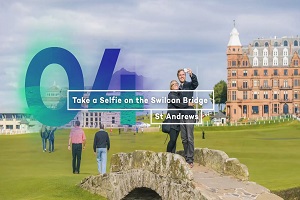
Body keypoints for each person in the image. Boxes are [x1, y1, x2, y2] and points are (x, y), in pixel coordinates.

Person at [177, 68, 198, 168]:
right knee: (184, 138)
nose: (182, 76)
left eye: (183, 74)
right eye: (180, 75)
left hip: (189, 114)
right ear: (178, 77)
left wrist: (191, 74)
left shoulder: (189, 85)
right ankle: (186, 157)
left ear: (185, 76)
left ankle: (190, 160)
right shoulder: (177, 89)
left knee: (190, 137)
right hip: (181, 115)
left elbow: (195, 83)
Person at [166, 80, 193, 153]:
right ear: (171, 87)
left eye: (176, 84)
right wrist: (188, 104)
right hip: (172, 121)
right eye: (173, 84)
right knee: (173, 139)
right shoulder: (171, 95)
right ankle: (167, 155)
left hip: (178, 120)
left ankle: (172, 155)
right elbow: (178, 104)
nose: (176, 85)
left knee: (174, 140)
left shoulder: (178, 94)